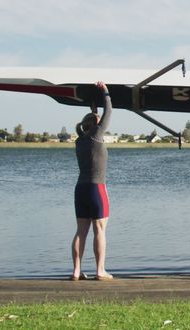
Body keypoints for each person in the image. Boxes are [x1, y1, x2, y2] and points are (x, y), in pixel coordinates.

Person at [71, 81, 113, 281]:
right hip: (97, 188)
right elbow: (109, 111)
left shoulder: (80, 140)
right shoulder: (97, 135)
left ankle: (76, 271)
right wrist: (105, 92)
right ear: (96, 125)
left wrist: (93, 110)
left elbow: (92, 121)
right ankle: (100, 270)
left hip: (81, 190)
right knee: (100, 229)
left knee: (81, 231)